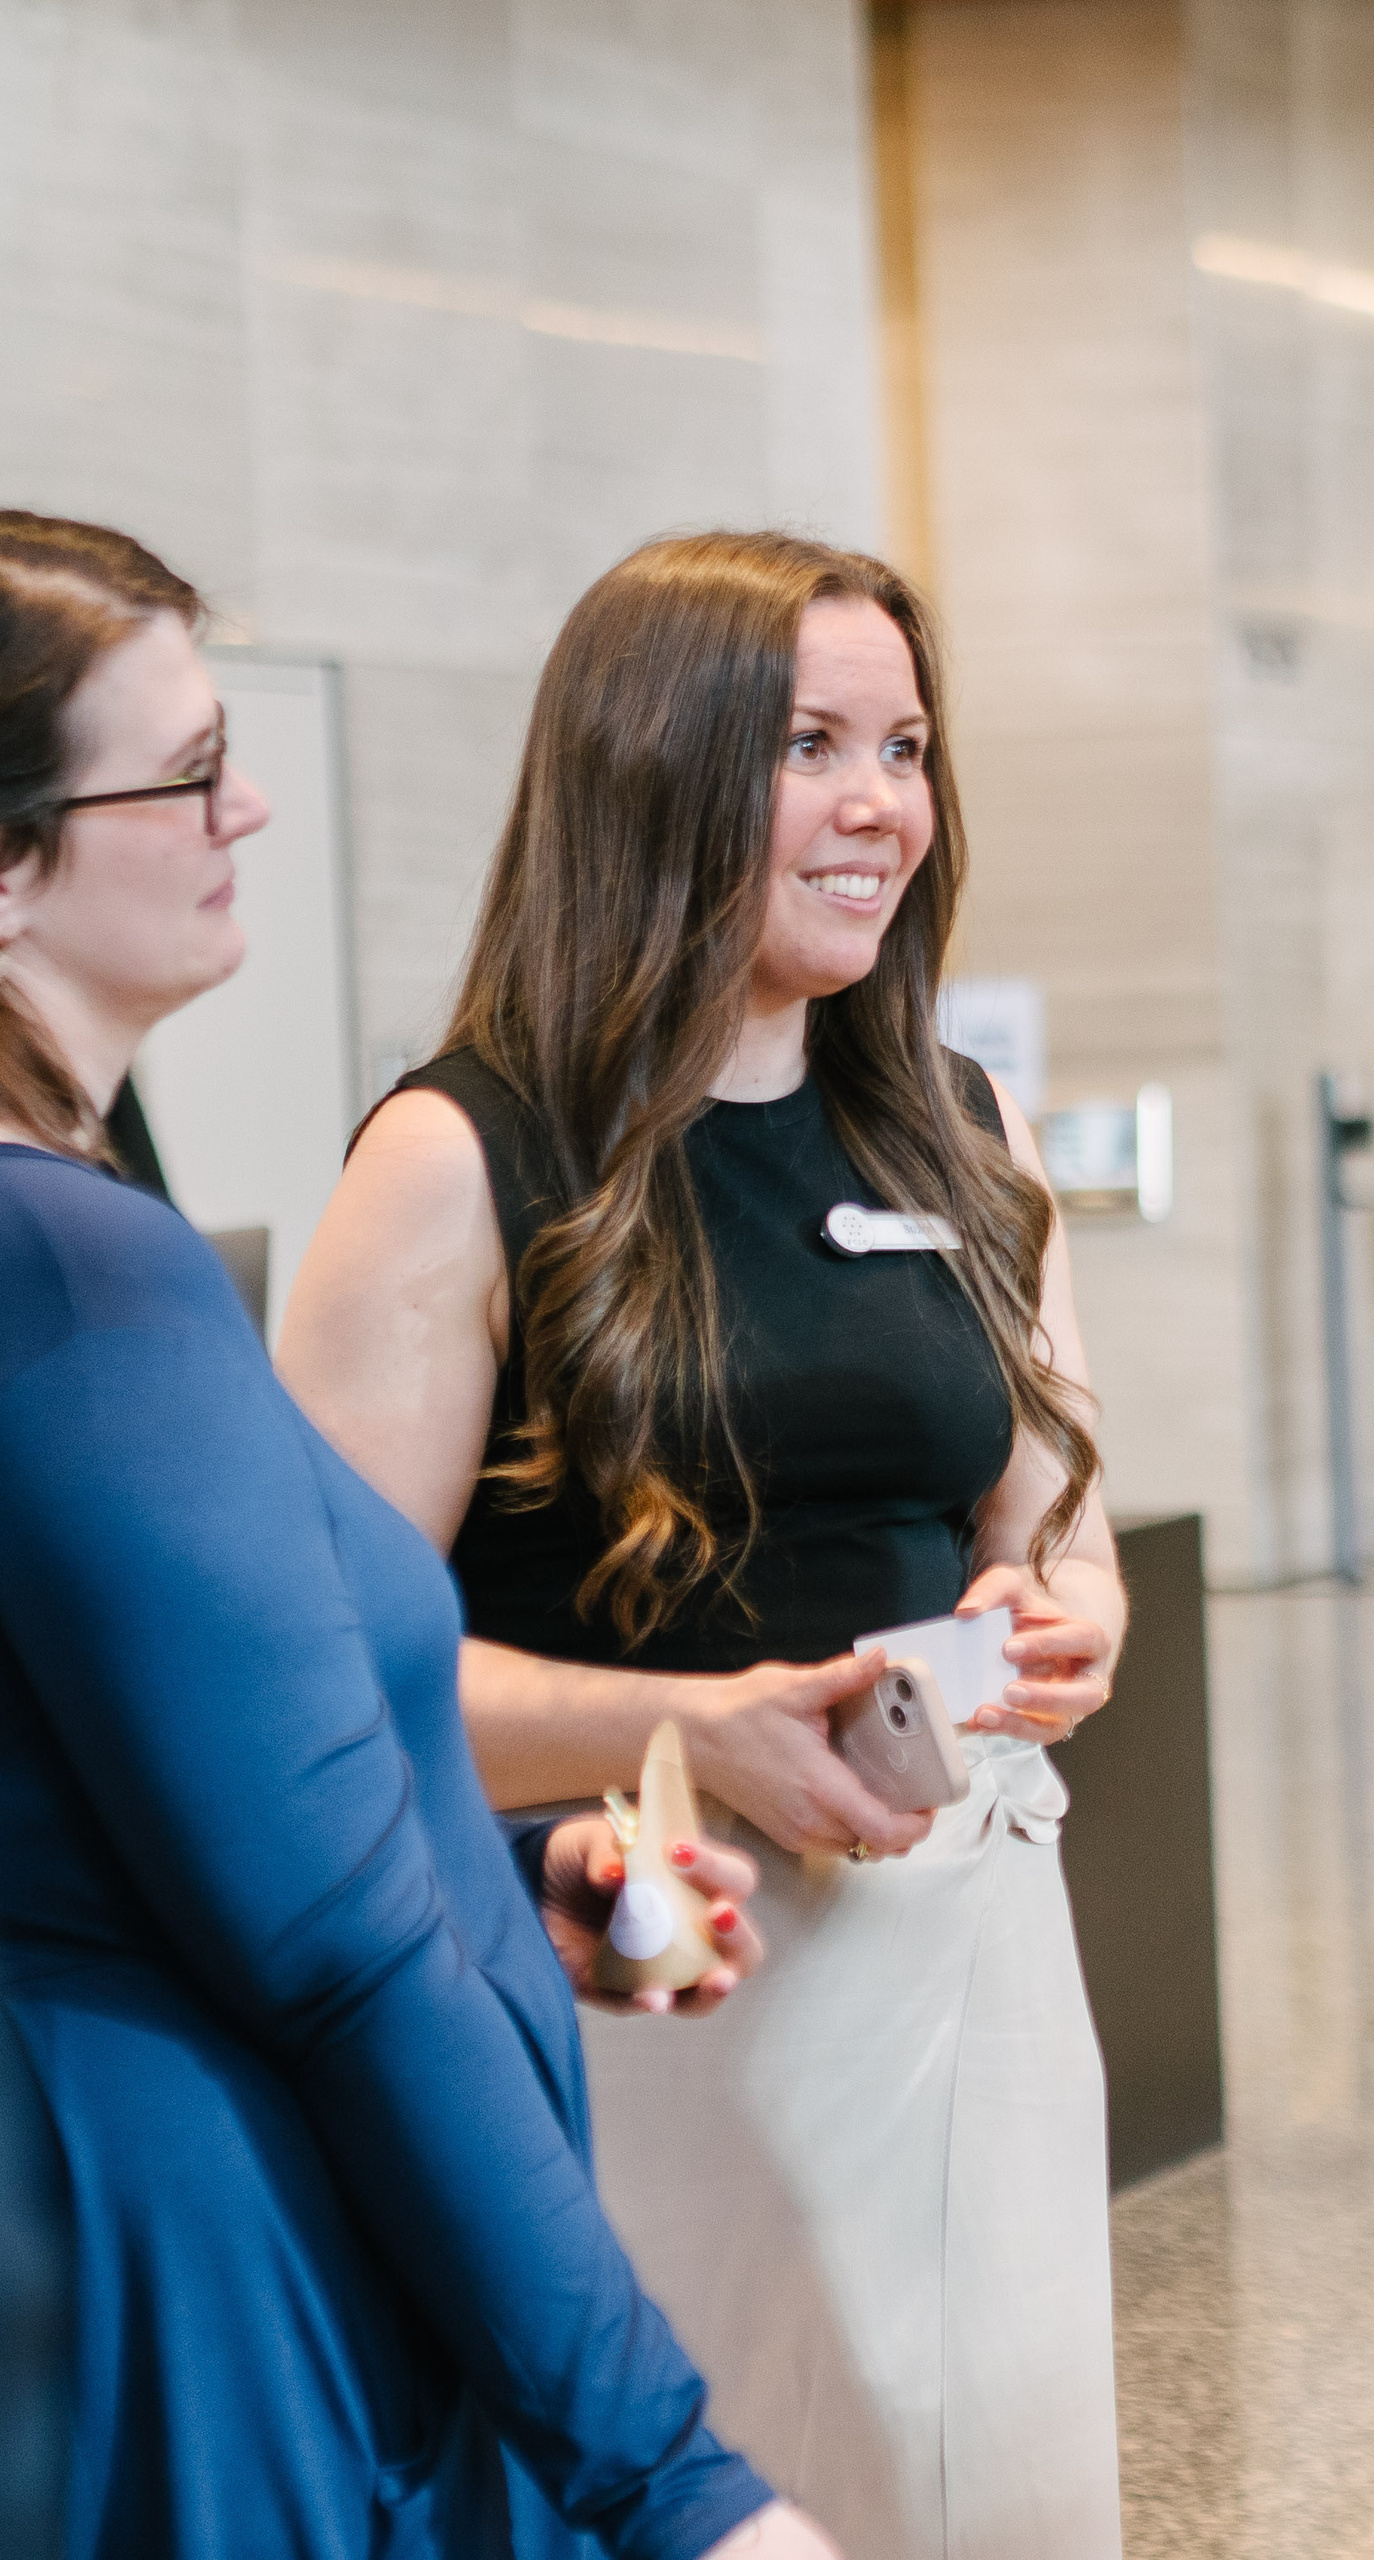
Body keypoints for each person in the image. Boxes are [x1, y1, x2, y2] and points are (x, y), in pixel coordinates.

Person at [281, 529, 1127, 2558]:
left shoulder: (959, 1122)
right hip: (647, 1954)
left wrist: (1050, 1621)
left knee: (993, 2480)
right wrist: (696, 1724)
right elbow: (323, 1690)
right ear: (654, 769)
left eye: (905, 744)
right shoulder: (459, 1154)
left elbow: (1058, 1532)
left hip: (973, 1930)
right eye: (810, 744)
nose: (881, 807)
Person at [0, 512, 834, 2558]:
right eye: (188, 770)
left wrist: (514, 1874)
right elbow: (334, 1937)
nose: (248, 799)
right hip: (192, 2252)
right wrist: (681, 2480)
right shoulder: (67, 1263)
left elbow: (133, 1788)